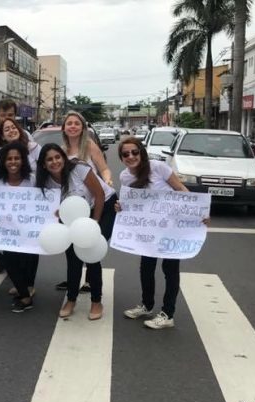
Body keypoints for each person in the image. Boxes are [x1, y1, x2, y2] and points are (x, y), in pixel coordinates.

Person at [116, 137, 208, 329]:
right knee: (146, 267)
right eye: (126, 154)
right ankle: (147, 305)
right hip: (148, 231)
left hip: (172, 228)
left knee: (170, 269)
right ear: (121, 157)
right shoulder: (125, 177)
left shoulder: (158, 167)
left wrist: (199, 211)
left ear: (141, 152)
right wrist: (120, 207)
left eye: (135, 152)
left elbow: (180, 189)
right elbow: (131, 203)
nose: (131, 156)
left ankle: (167, 314)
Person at [35, 143, 112, 320]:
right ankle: (71, 299)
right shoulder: (45, 182)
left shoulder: (78, 168)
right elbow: (53, 207)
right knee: (73, 257)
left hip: (102, 207)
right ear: (44, 165)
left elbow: (99, 194)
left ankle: (96, 301)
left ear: (63, 157)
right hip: (74, 214)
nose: (55, 162)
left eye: (57, 157)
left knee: (90, 253)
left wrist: (95, 223)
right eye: (49, 159)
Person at [56, 110, 115, 293]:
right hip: (79, 205)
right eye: (69, 123)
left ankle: (91, 282)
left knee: (92, 243)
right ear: (64, 128)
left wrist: (106, 180)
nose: (72, 126)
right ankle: (73, 279)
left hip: (103, 200)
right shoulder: (61, 151)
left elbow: (104, 169)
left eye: (76, 123)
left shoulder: (89, 146)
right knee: (74, 246)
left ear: (82, 128)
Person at [0, 141, 37, 313]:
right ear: (3, 161)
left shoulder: (31, 180)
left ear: (23, 160)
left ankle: (25, 289)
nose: (13, 162)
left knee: (25, 262)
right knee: (9, 261)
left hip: (28, 232)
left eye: (17, 158)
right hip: (7, 233)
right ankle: (25, 297)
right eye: (9, 158)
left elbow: (43, 203)